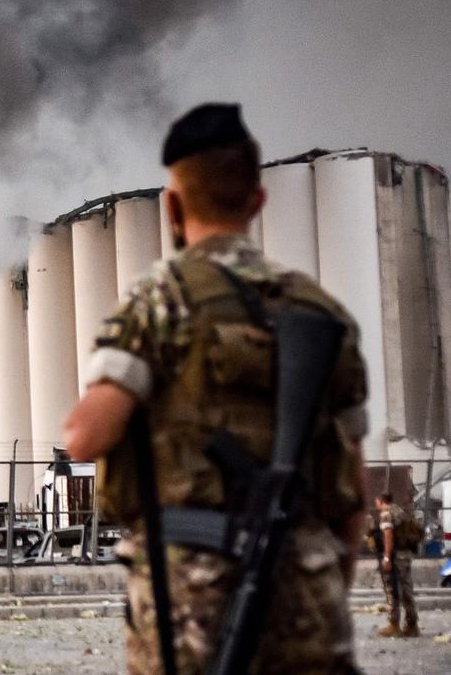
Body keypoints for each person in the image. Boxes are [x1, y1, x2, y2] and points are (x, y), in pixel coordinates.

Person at [64, 103, 370, 674]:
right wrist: (325, 577)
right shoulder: (322, 310)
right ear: (258, 200)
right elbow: (352, 483)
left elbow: (86, 436)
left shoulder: (160, 298)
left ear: (173, 207)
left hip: (190, 591)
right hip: (306, 582)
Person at [374, 492, 419, 636]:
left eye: (377, 502)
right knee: (407, 590)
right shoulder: (401, 511)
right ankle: (412, 624)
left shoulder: (387, 514)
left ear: (381, 501)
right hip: (406, 556)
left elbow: (388, 535)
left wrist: (386, 558)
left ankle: (394, 625)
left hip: (395, 557)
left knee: (392, 589)